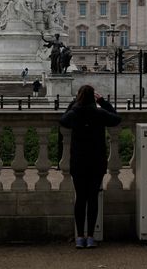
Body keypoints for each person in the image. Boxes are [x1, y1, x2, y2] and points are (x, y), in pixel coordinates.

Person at [60, 85, 121, 249]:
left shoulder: (74, 113)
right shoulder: (99, 113)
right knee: (93, 198)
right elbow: (116, 119)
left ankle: (79, 237)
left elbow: (63, 120)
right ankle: (91, 237)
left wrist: (74, 102)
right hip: (96, 160)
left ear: (79, 97)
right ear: (93, 98)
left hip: (79, 161)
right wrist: (103, 101)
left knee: (80, 198)